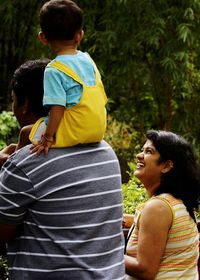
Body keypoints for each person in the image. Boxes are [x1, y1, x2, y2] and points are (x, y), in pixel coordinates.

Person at [0, 59, 125, 279]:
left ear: (25, 104)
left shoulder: (26, 165)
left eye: (13, 100)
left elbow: (3, 232)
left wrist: (8, 170)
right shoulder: (105, 152)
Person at [30, 0, 107, 155]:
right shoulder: (88, 60)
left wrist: (49, 137)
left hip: (72, 133)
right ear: (79, 36)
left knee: (30, 132)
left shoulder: (53, 70)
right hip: (97, 132)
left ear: (43, 38)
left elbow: (57, 108)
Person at [125, 130, 200, 280]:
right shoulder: (175, 202)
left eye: (149, 151)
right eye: (142, 150)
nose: (139, 156)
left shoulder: (158, 207)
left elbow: (145, 270)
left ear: (166, 166)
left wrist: (107, 252)